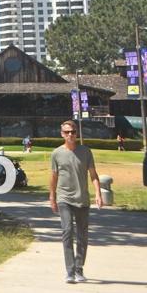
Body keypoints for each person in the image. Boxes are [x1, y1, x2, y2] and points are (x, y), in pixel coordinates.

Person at [49, 120, 102, 284]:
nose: (70, 135)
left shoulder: (86, 152)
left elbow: (93, 175)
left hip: (82, 199)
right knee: (67, 231)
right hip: (64, 198)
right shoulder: (56, 153)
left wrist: (98, 194)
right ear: (62, 134)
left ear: (77, 133)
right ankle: (70, 271)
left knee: (82, 236)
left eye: (72, 132)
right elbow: (53, 177)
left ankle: (79, 269)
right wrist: (52, 196)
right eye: (67, 132)